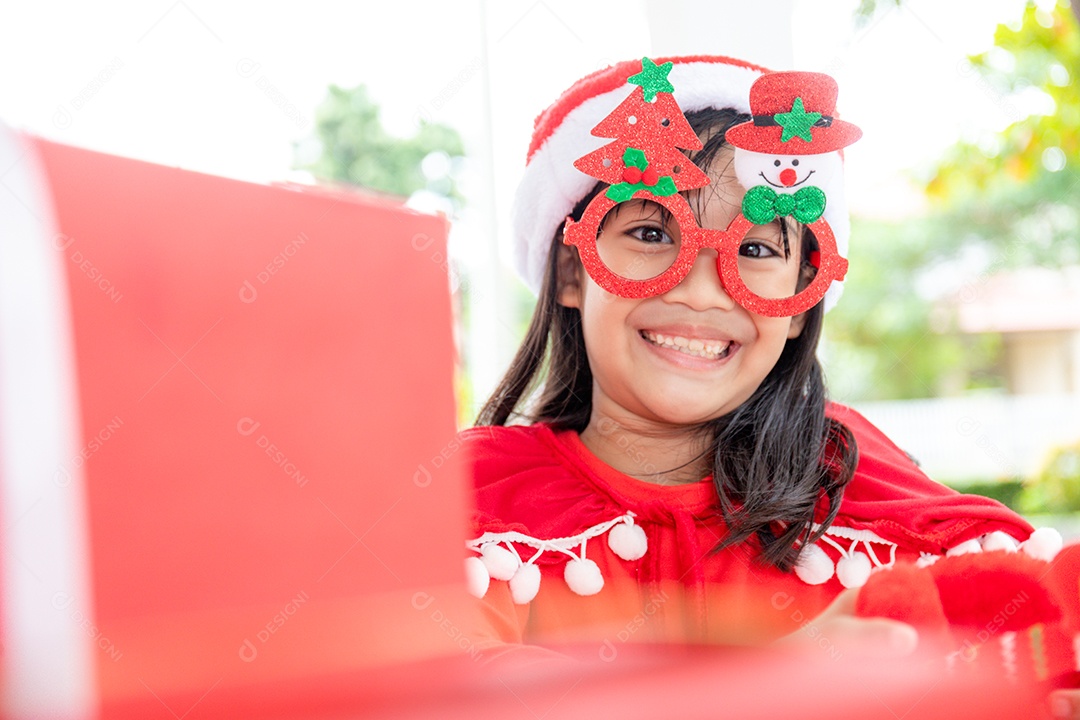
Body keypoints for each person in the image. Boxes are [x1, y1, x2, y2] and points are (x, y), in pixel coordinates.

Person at [458, 55, 1056, 665]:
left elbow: (1028, 633)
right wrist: (769, 682)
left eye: (754, 247)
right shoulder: (472, 503)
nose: (699, 289)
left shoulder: (873, 501)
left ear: (800, 302)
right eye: (651, 233)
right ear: (571, 271)